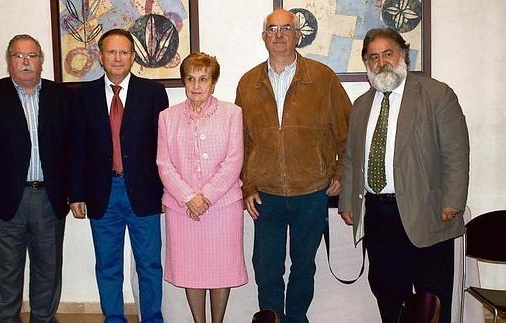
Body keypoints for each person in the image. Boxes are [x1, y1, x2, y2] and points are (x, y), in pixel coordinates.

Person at [338, 27, 469, 323]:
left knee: (431, 299)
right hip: (378, 216)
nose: (381, 62)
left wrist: (453, 200)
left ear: (403, 55)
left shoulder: (437, 94)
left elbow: (456, 152)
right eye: (373, 57)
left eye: (388, 53)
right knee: (387, 292)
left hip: (428, 213)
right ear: (366, 64)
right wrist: (348, 200)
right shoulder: (361, 106)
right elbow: (350, 159)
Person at [235, 9, 352, 323]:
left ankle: (297, 318)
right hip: (265, 195)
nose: (279, 35)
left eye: (286, 28)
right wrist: (246, 184)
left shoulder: (322, 78)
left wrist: (340, 173)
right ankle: (273, 318)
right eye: (272, 29)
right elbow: (241, 143)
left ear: (298, 35)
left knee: (304, 266)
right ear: (264, 36)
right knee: (266, 266)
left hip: (311, 192)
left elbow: (347, 132)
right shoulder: (248, 83)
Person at [0, 34, 70, 322]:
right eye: (18, 56)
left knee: (48, 270)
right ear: (9, 62)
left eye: (31, 56)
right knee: (6, 273)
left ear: (41, 62)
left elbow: (74, 147)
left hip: (50, 199)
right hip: (5, 199)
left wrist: (75, 191)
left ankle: (44, 319)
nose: (25, 62)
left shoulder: (62, 97)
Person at [69, 28, 168, 323]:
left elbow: (165, 147)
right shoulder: (83, 95)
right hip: (102, 193)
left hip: (144, 192)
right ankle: (114, 318)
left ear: (133, 56)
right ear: (100, 56)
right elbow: (76, 147)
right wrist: (76, 193)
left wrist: (166, 191)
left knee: (149, 265)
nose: (117, 58)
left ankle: (152, 319)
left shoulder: (153, 93)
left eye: (124, 52)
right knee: (108, 265)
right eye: (111, 52)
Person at [156, 53, 248, 323]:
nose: (196, 86)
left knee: (221, 268)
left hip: (223, 206)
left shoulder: (232, 113)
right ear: (184, 82)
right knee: (191, 269)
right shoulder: (167, 117)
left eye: (203, 79)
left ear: (213, 82)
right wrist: (189, 198)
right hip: (181, 208)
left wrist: (205, 197)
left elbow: (234, 160)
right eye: (190, 79)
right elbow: (164, 164)